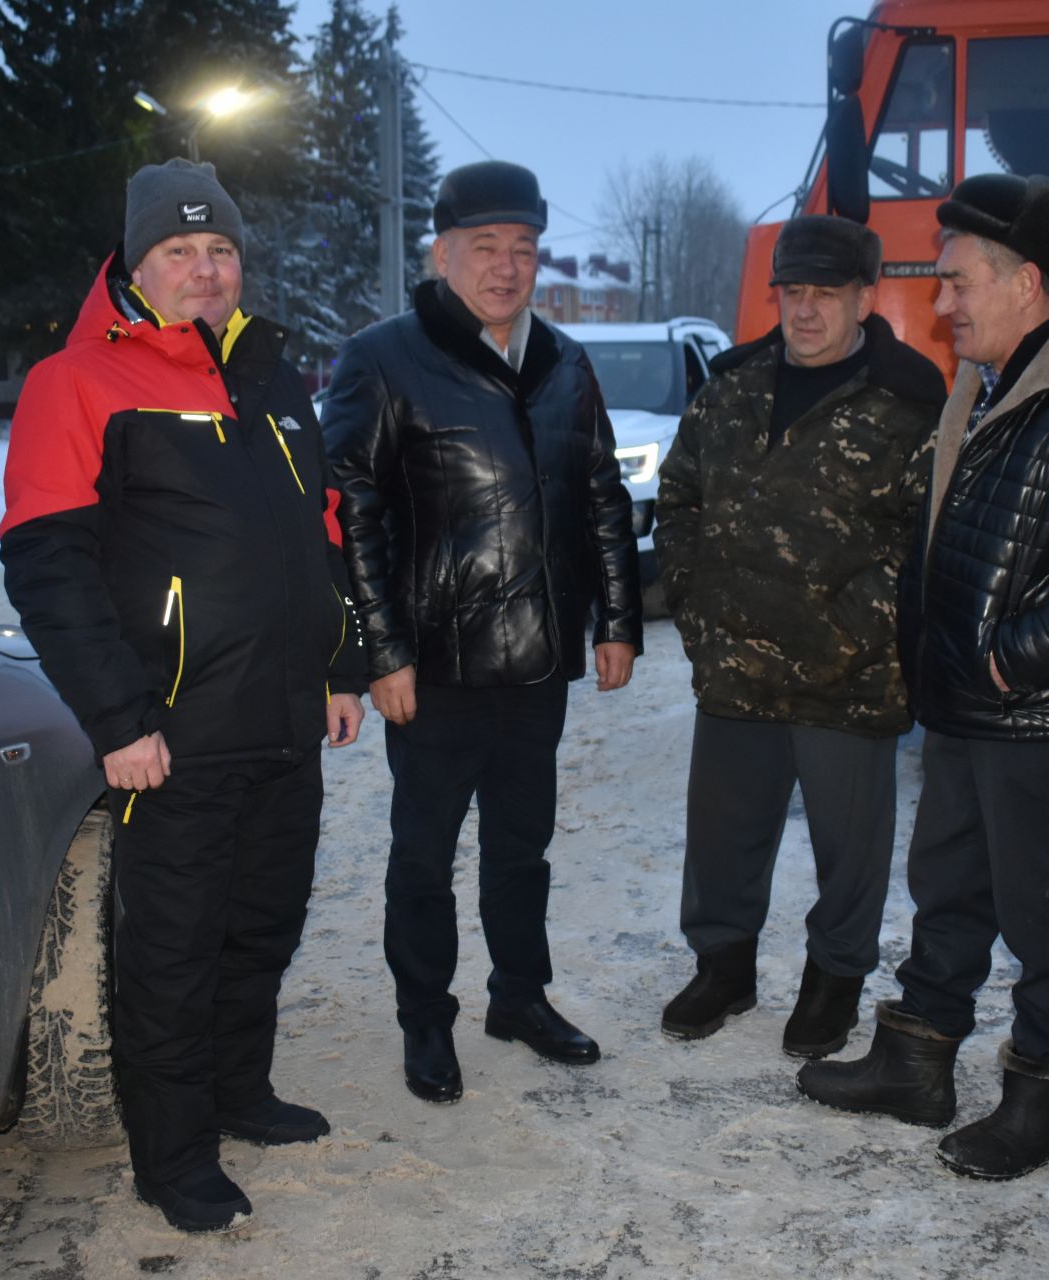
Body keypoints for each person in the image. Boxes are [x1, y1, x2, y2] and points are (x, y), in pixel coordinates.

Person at [797, 174, 1049, 1180]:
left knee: (1048, 907)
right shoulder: (992, 383)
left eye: (956, 282)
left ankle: (1047, 1099)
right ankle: (916, 1060)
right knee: (948, 884)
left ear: (1027, 282)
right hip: (965, 703)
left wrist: (1017, 652)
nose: (941, 305)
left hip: (1041, 712)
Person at [0, 158, 366, 1233]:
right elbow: (47, 565)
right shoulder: (76, 383)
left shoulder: (270, 370)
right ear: (137, 263)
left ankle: (239, 1090)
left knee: (262, 923)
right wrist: (119, 720)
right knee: (172, 945)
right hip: (172, 733)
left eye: (221, 251)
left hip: (285, 719)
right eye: (180, 251)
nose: (205, 270)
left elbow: (322, 532)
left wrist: (341, 664)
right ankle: (174, 1154)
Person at [321, 159, 641, 1104]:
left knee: (521, 848)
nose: (506, 268)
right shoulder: (385, 358)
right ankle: (427, 1020)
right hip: (436, 667)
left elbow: (601, 497)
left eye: (523, 250)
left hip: (537, 660)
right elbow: (351, 515)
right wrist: (383, 653)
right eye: (485, 248)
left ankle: (520, 997)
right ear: (441, 252)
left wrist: (617, 619)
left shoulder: (565, 362)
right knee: (422, 856)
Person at [654, 215, 944, 1058]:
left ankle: (834, 981)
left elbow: (932, 539)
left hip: (848, 677)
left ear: (864, 297)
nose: (805, 311)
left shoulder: (910, 403)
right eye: (792, 292)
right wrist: (700, 614)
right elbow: (679, 500)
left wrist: (882, 634)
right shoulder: (731, 389)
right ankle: (724, 966)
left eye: (825, 293)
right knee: (722, 836)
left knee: (850, 850)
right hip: (737, 664)